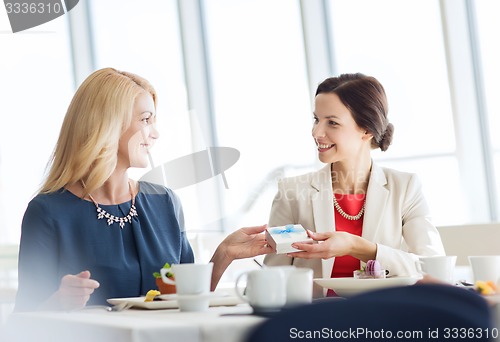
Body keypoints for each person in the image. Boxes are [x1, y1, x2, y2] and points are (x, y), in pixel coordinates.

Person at [15, 67, 272, 312]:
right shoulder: (48, 212)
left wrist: (224, 253)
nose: (156, 133)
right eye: (145, 120)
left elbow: (186, 299)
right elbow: (24, 322)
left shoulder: (165, 202)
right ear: (108, 125)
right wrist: (59, 301)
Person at [264, 73, 445, 297]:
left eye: (332, 122)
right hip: (316, 322)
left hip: (384, 319)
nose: (316, 132)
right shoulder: (292, 191)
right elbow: (272, 280)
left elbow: (434, 269)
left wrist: (358, 247)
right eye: (316, 120)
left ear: (367, 130)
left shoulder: (405, 187)